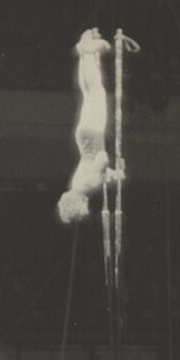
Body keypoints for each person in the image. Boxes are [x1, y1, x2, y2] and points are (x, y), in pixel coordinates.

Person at [57, 29, 119, 224]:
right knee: (88, 93)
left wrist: (107, 174)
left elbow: (102, 158)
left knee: (97, 91)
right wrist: (107, 174)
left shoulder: (89, 186)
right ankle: (84, 52)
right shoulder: (75, 186)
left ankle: (90, 51)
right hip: (83, 140)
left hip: (93, 139)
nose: (86, 211)